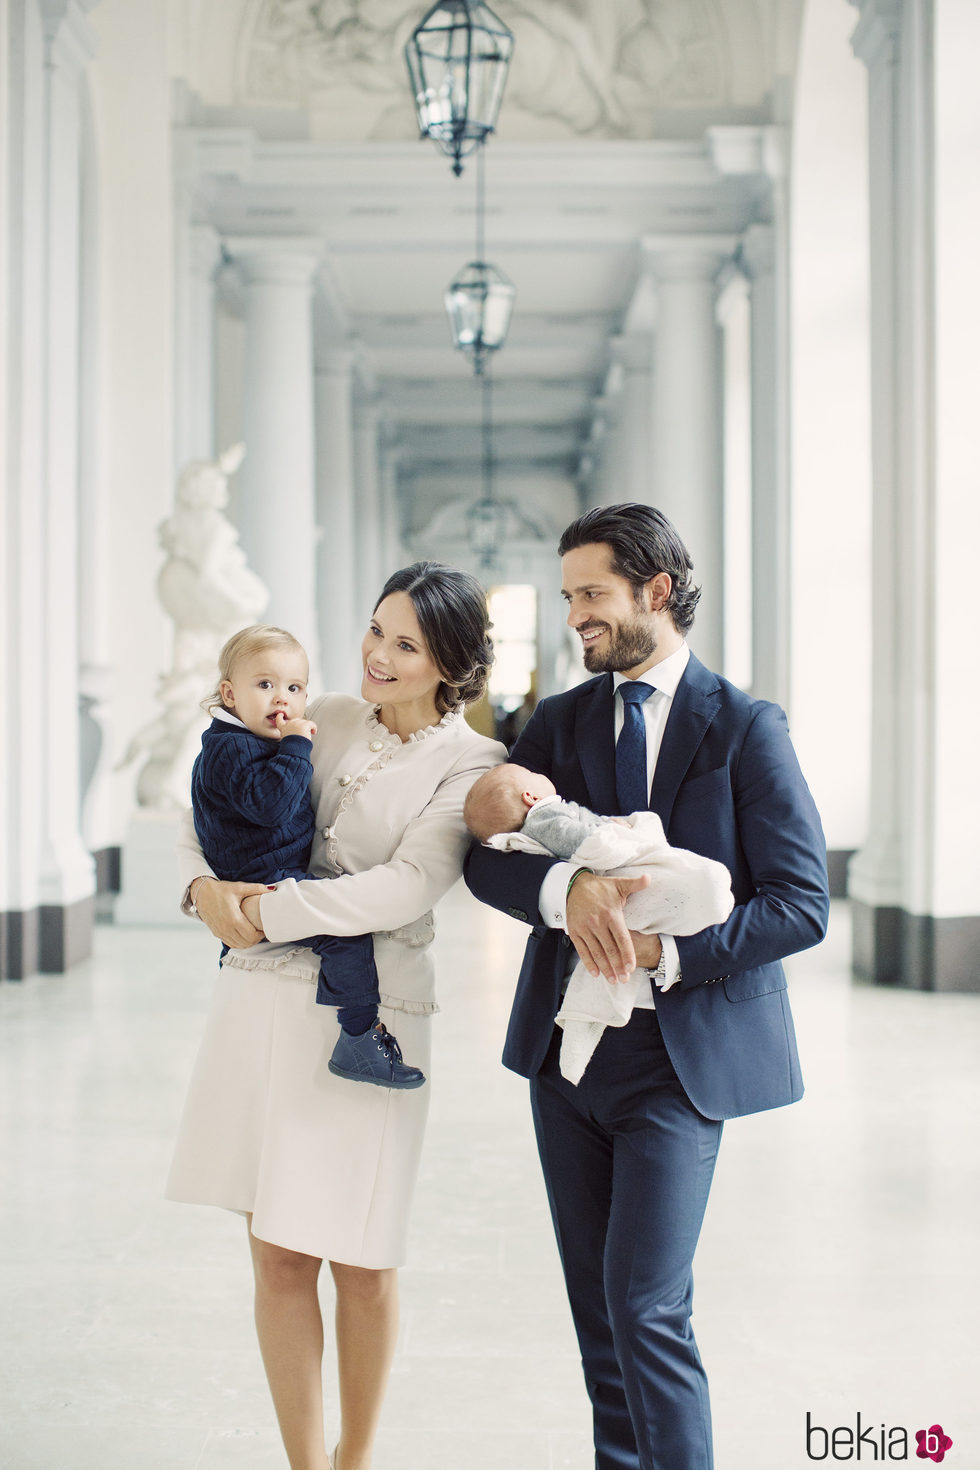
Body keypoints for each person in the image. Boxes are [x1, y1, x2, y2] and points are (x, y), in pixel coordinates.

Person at [465, 504, 829, 1470]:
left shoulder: (748, 727)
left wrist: (666, 956)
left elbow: (801, 904)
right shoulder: (559, 721)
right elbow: (483, 857)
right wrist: (565, 886)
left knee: (647, 1306)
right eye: (568, 597)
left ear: (655, 592)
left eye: (591, 595)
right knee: (599, 1318)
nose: (575, 617)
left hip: (680, 1062)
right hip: (566, 1062)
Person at [167, 562, 506, 1470]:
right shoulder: (321, 712)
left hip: (372, 1015)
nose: (378, 655)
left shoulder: (471, 761)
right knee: (277, 1254)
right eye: (375, 630)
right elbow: (202, 799)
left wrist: (264, 910)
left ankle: (356, 1459)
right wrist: (201, 887)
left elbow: (406, 886)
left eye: (406, 644)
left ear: (449, 665)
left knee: (362, 1258)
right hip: (257, 1003)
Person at [191, 623, 424, 1088]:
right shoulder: (233, 746)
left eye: (295, 688)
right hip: (262, 876)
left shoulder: (245, 740)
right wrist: (297, 744)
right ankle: (358, 1035)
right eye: (265, 685)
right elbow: (271, 805)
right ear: (229, 694)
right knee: (344, 932)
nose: (282, 699)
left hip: (270, 870)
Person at [463, 762, 733, 1083]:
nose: (539, 772)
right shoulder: (545, 816)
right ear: (531, 795)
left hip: (688, 1029)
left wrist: (663, 953)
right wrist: (577, 881)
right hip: (615, 886)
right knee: (700, 883)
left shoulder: (750, 724)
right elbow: (584, 843)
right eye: (533, 775)